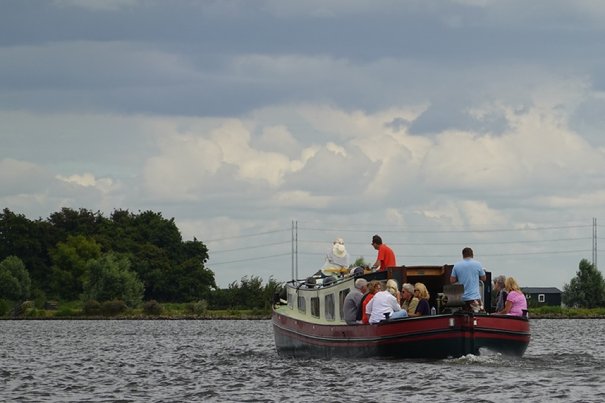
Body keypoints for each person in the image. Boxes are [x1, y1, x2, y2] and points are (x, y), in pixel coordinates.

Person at [450, 247, 487, 312]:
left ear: (463, 255)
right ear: (472, 254)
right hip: (474, 298)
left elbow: (452, 280)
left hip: (461, 299)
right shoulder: (477, 264)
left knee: (462, 317)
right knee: (479, 316)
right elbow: (484, 278)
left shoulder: (456, 265)